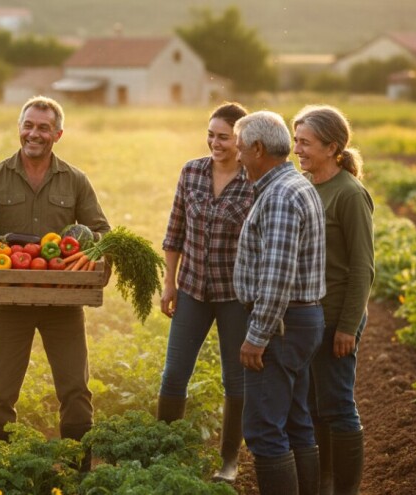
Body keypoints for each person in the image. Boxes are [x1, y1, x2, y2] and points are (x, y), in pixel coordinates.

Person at [0, 96, 110, 468]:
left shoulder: (75, 181)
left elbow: (101, 231)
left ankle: (77, 473)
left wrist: (93, 253)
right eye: (28, 125)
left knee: (75, 389)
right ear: (19, 128)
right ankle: (3, 472)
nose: (33, 133)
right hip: (10, 301)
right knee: (0, 392)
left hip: (62, 302)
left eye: (42, 127)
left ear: (57, 134)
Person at [232, 111, 326, 495]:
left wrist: (257, 336)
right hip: (298, 322)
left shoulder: (282, 196)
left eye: (240, 148)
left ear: (257, 149)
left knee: (263, 427)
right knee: (294, 420)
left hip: (283, 325)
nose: (237, 157)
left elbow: (277, 276)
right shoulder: (293, 185)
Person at [158, 102, 252, 483]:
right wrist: (169, 282)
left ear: (241, 140)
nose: (215, 142)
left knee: (236, 380)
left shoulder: (254, 180)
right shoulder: (192, 171)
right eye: (211, 134)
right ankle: (164, 451)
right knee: (174, 373)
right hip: (193, 290)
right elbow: (174, 230)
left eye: (224, 137)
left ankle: (229, 461)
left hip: (235, 296)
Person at [293, 105, 374, 495]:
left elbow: (362, 269)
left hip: (337, 317)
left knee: (338, 404)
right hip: (309, 318)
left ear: (332, 147)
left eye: (305, 143)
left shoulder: (350, 194)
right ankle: (323, 482)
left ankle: (346, 489)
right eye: (296, 142)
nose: (297, 150)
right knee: (311, 405)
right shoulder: (306, 186)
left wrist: (347, 327)